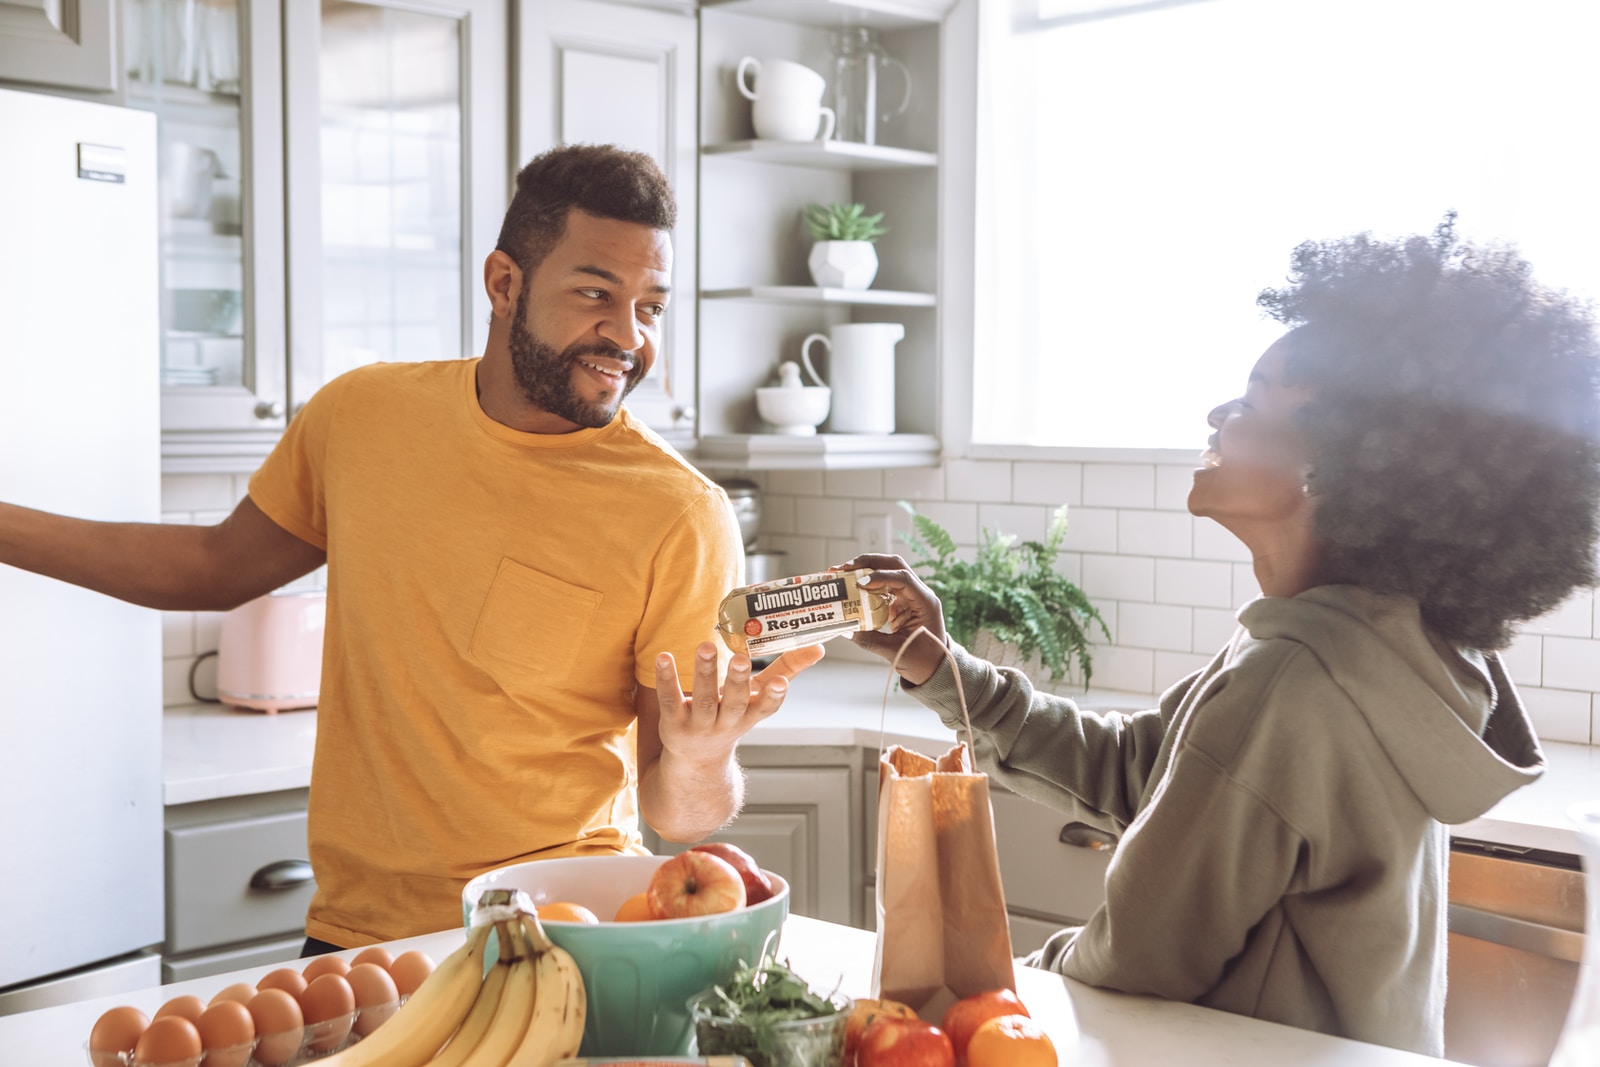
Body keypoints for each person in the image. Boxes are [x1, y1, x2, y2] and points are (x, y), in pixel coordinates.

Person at [0, 143, 822, 949]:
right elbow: (213, 567)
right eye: (595, 292)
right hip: (356, 937)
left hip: (560, 937)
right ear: (505, 283)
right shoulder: (362, 417)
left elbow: (677, 814)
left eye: (650, 307)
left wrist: (705, 757)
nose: (628, 337)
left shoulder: (680, 513)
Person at [841, 217, 1600, 1056]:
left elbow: (1136, 957)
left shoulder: (1295, 680)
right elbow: (1146, 771)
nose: (1215, 413)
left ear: (1328, 464)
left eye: (1248, 402)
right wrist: (941, 666)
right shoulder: (1365, 646)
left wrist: (985, 989)